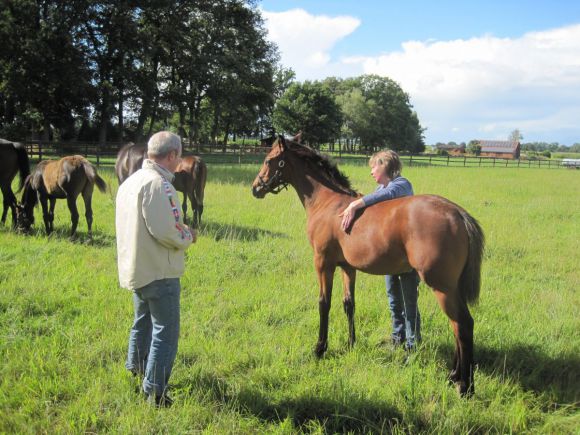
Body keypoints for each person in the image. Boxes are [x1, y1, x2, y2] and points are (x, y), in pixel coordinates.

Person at [116, 131, 196, 407]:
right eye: (179, 157)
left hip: (137, 268)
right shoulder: (159, 185)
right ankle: (154, 392)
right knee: (166, 330)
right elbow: (166, 230)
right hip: (160, 270)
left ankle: (135, 369)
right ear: (172, 155)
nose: (180, 163)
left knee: (143, 321)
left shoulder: (130, 182)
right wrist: (187, 236)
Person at [340, 150, 421, 350]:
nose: (371, 172)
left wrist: (356, 204)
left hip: (407, 255)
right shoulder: (380, 187)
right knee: (394, 300)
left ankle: (413, 345)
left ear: (384, 166)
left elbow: (388, 195)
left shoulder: (402, 184)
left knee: (410, 303)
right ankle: (397, 337)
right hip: (390, 254)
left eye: (373, 167)